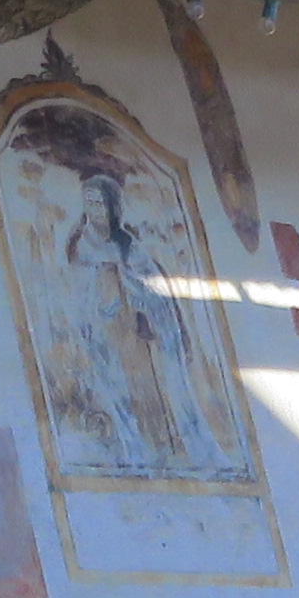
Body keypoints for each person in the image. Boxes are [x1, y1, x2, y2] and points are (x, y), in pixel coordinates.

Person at [62, 174, 234, 475]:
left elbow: (152, 283)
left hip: (137, 335)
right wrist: (105, 281)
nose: (94, 209)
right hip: (106, 335)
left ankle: (172, 449)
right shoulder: (79, 244)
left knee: (155, 390)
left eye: (100, 202)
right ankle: (132, 449)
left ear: (113, 206)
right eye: (89, 202)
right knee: (119, 391)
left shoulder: (128, 244)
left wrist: (136, 293)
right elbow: (76, 288)